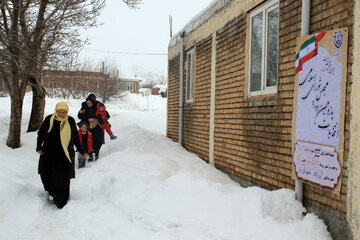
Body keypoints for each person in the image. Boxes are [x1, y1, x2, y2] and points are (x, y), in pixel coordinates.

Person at [37, 102, 86, 209]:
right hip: (49, 153)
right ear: (56, 111)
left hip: (64, 154)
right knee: (47, 175)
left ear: (66, 112)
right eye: (59, 112)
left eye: (63, 112)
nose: (61, 114)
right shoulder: (49, 119)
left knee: (63, 178)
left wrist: (82, 151)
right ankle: (52, 193)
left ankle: (62, 200)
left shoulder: (70, 121)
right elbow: (41, 134)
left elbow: (76, 137)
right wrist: (39, 147)